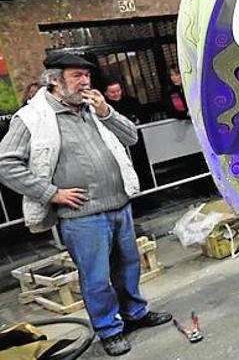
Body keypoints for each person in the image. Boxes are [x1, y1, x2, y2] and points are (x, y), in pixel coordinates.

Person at [0, 53, 171, 357]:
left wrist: (107, 112)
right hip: (81, 216)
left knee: (128, 266)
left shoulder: (93, 109)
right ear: (54, 80)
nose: (85, 82)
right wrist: (51, 193)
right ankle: (108, 329)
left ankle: (134, 313)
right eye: (77, 76)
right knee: (96, 277)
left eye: (87, 76)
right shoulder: (32, 118)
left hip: (119, 204)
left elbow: (131, 137)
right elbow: (6, 163)